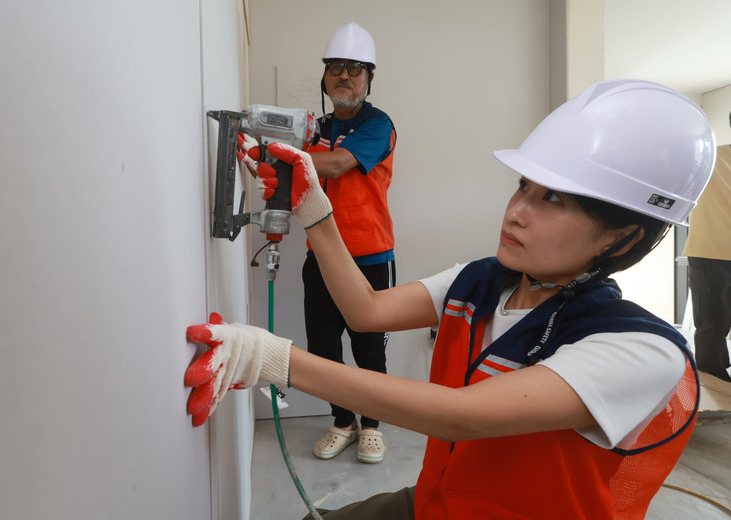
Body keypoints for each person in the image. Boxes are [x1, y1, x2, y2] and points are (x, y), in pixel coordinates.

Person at [185, 80, 716, 519]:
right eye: (523, 186)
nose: (516, 212)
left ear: (621, 237)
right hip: (438, 503)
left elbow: (462, 416)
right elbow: (366, 311)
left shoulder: (641, 349)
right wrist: (313, 209)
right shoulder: (481, 282)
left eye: (553, 198)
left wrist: (270, 359)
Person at [241, 22, 397, 464]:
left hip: (369, 257)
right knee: (325, 348)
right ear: (325, 78)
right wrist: (257, 158)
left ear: (369, 78)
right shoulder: (315, 127)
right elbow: (290, 168)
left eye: (354, 68)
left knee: (369, 348)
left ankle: (372, 426)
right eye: (335, 68)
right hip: (321, 255)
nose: (344, 76)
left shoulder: (378, 125)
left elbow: (336, 164)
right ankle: (343, 422)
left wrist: (271, 153)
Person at [683, 115, 731, 383]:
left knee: (712, 319)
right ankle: (712, 375)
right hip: (709, 250)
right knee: (712, 320)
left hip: (708, 250)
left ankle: (713, 372)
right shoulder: (707, 158)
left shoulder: (707, 158)